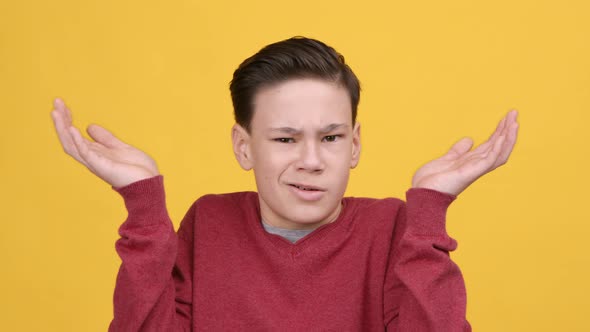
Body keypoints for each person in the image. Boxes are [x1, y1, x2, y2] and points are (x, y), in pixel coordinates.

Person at [51, 36, 519, 331]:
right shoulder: (209, 222)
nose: (311, 161)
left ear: (354, 145)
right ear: (244, 146)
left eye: (331, 137)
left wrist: (429, 213)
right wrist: (144, 206)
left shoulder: (395, 227)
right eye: (285, 138)